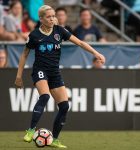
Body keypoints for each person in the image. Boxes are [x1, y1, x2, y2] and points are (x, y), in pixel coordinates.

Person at [14, 5, 105, 148]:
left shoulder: (59, 31)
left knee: (64, 106)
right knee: (45, 96)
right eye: (49, 16)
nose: (52, 18)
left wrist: (96, 53)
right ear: (41, 19)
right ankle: (31, 131)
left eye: (53, 15)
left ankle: (54, 139)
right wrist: (18, 77)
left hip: (54, 72)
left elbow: (80, 42)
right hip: (40, 70)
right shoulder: (34, 35)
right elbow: (24, 54)